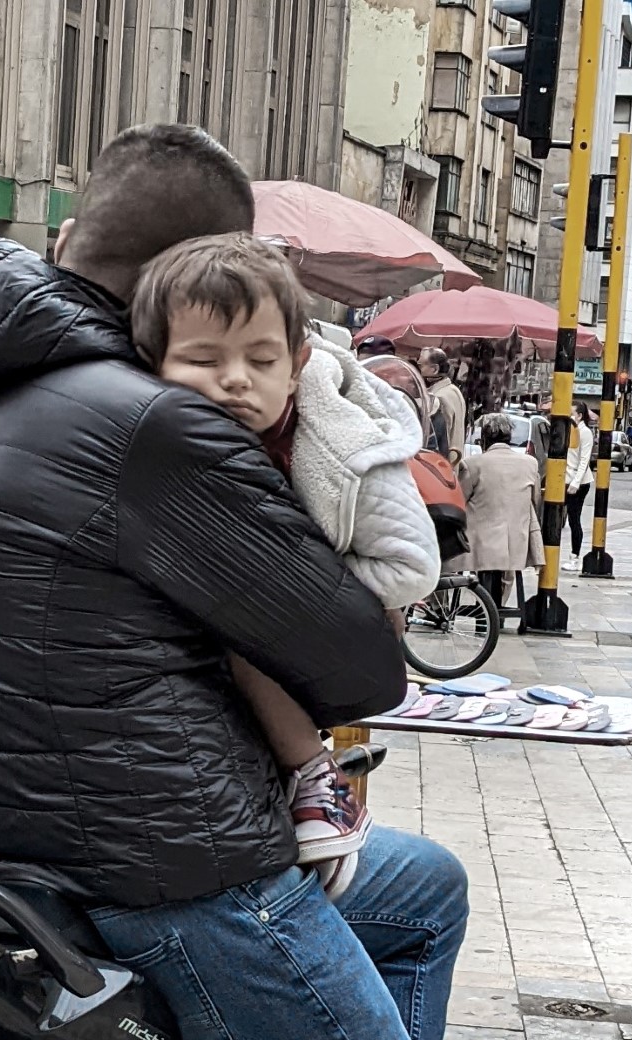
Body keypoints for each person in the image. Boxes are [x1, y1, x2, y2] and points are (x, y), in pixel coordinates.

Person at [0, 123, 468, 1040]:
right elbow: (359, 670)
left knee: (425, 888)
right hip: (178, 878)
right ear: (184, 276)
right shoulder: (158, 422)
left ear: (65, 240)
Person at [130, 232, 438, 894]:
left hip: (346, 621)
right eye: (203, 359)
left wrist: (292, 586)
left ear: (296, 366)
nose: (235, 378)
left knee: (240, 624)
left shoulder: (338, 445)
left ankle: (314, 775)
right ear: (151, 361)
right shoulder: (174, 438)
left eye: (260, 360)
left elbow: (412, 567)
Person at [461, 413, 546, 611]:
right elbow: (535, 500)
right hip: (516, 541)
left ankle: (484, 608)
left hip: (481, 543)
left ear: (484, 439)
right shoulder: (530, 463)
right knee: (506, 562)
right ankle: (499, 606)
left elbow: (461, 498)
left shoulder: (473, 464)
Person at [561, 403, 596, 572]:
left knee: (574, 519)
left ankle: (574, 557)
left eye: (571, 413)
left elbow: (584, 460)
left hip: (578, 482)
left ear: (580, 415)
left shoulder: (585, 432)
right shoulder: (568, 430)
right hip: (563, 479)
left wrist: (575, 482)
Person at [419, 346, 466, 461]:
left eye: (421, 366)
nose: (418, 370)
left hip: (441, 465)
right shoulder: (454, 390)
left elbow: (440, 440)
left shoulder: (438, 398)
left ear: (435, 369)